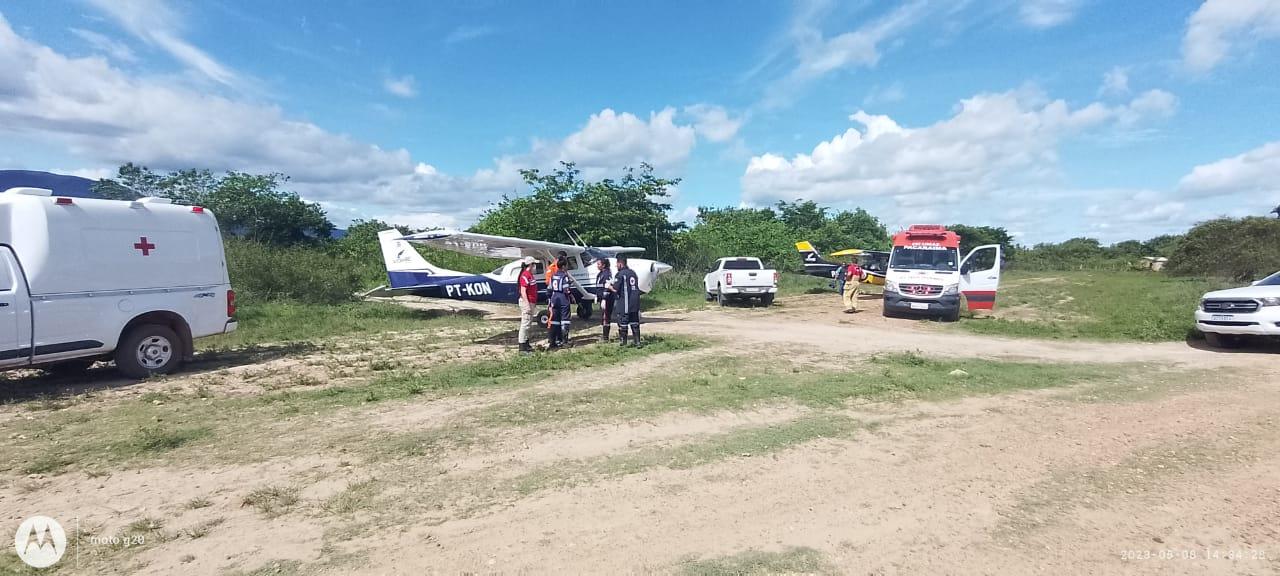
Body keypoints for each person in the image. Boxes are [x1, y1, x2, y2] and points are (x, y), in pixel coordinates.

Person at [610, 254, 642, 347]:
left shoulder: (620, 274)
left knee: (623, 322)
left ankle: (623, 343)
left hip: (625, 302)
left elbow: (615, 289)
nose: (616, 266)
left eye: (617, 264)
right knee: (634, 322)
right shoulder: (633, 273)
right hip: (635, 302)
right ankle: (638, 342)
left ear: (620, 263)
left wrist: (608, 286)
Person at [548, 255, 575, 348]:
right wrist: (570, 295)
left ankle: (553, 341)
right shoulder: (564, 276)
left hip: (554, 297)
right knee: (565, 320)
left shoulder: (553, 276)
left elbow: (550, 288)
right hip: (563, 298)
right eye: (566, 265)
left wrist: (549, 300)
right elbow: (566, 289)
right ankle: (564, 341)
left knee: (554, 319)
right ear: (563, 266)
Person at [516, 256, 538, 353]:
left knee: (528, 323)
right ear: (530, 265)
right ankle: (522, 347)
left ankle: (526, 343)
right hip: (527, 302)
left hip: (531, 302)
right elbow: (523, 291)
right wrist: (527, 304)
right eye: (534, 265)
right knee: (525, 324)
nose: (535, 267)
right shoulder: (525, 275)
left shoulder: (530, 275)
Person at [595, 258, 616, 343]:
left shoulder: (607, 274)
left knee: (606, 317)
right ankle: (604, 336)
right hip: (601, 298)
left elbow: (607, 287)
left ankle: (605, 338)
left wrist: (604, 298)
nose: (597, 266)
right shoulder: (600, 274)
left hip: (607, 299)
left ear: (603, 265)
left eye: (599, 264)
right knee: (603, 316)